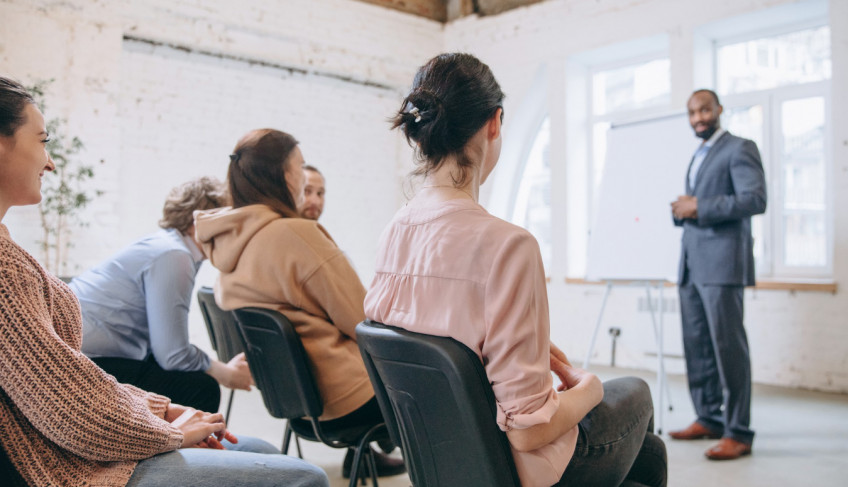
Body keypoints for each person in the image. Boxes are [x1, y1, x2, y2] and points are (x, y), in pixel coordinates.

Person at [0, 75, 329, 487]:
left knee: (256, 448)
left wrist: (163, 410)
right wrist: (172, 428)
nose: (50, 161)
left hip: (83, 417)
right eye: (43, 141)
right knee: (306, 477)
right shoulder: (170, 255)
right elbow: (68, 404)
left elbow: (72, 379)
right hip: (62, 460)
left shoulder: (11, 248)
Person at [364, 53, 667, 487]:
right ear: (494, 123)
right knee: (634, 392)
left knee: (650, 453)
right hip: (514, 469)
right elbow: (530, 432)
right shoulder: (509, 245)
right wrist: (589, 387)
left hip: (439, 458)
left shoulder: (393, 232)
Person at [194, 129, 405, 479]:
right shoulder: (295, 234)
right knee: (447, 389)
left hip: (297, 405)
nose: (303, 176)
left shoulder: (229, 245)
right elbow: (362, 319)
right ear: (285, 174)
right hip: (348, 399)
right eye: (300, 166)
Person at [69, 177, 252, 413]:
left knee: (189, 375)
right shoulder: (174, 256)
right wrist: (223, 373)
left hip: (89, 354)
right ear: (199, 222)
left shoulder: (166, 246)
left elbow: (167, 348)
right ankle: (187, 448)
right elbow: (172, 354)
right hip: (86, 363)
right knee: (201, 388)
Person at [669, 88, 766, 460]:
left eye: (705, 110)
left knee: (729, 349)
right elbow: (700, 205)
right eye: (692, 112)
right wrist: (683, 209)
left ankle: (739, 432)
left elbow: (755, 199)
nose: (698, 118)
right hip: (693, 265)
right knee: (698, 346)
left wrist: (700, 205)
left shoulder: (740, 147)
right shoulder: (700, 153)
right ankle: (709, 417)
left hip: (723, 265)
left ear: (719, 109)